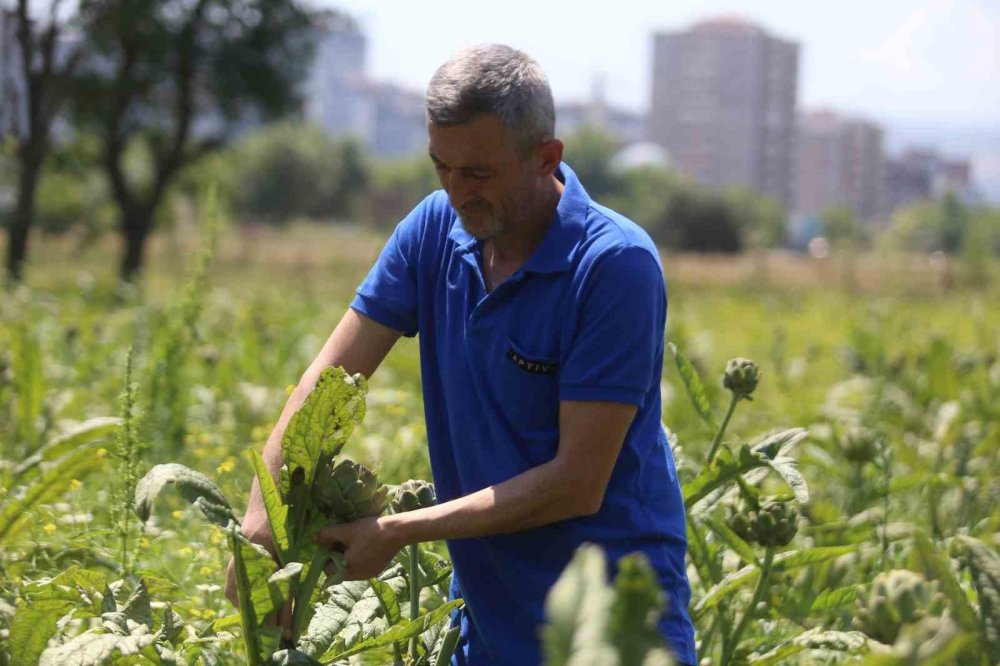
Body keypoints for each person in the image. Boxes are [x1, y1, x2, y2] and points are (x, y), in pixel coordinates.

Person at [228, 44, 697, 666]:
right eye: (440, 167)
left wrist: (396, 532)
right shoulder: (432, 232)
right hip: (484, 620)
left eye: (478, 173)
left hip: (610, 625)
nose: (455, 192)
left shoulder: (614, 266)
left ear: (546, 157)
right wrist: (262, 521)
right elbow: (331, 376)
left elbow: (577, 484)